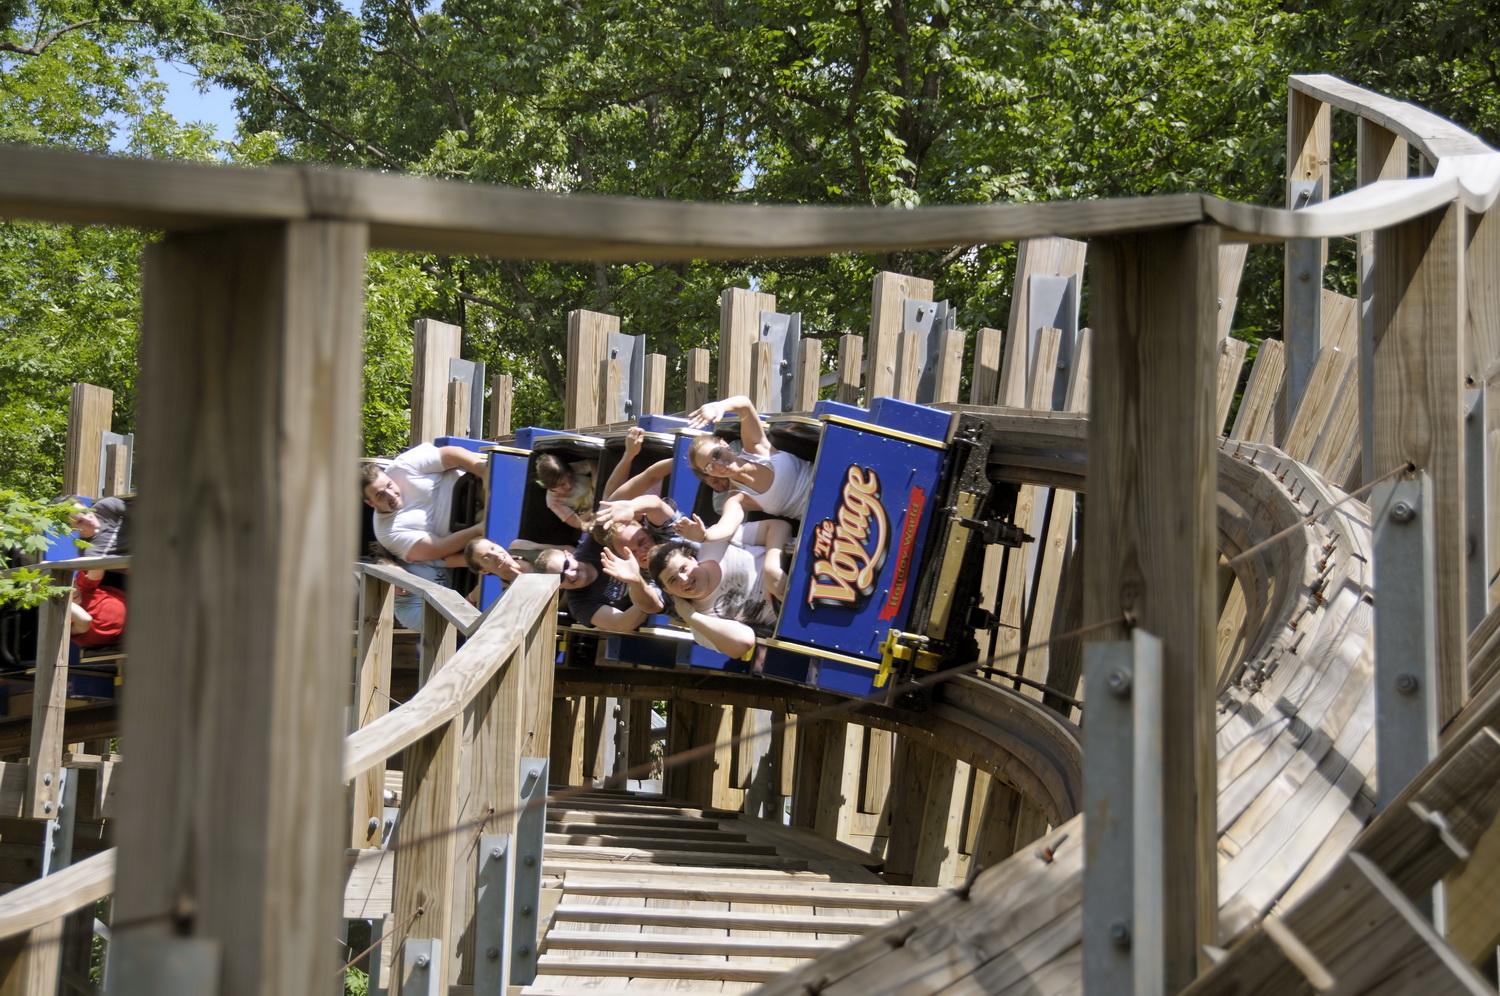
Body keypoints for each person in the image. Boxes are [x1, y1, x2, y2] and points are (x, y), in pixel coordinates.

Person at [648, 518, 791, 658]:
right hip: (794, 619)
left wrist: (772, 568)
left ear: (692, 558)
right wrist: (691, 617)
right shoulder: (700, 626)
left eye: (683, 569)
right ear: (667, 590)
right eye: (673, 580)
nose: (684, 580)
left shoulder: (715, 542)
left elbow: (778, 527)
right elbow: (743, 643)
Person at [684, 395, 814, 540]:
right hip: (823, 518)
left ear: (724, 444)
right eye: (709, 466)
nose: (719, 465)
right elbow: (725, 528)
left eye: (717, 454)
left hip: (833, 482)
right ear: (706, 472)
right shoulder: (737, 499)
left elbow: (745, 406)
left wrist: (718, 406)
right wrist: (704, 536)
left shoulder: (756, 448)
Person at [362, 444, 487, 566]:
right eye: (380, 495)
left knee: (498, 486)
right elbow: (437, 549)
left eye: (389, 485)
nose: (390, 494)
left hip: (477, 486)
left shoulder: (402, 466)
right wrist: (477, 529)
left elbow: (452, 454)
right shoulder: (387, 532)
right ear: (370, 503)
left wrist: (485, 475)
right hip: (471, 522)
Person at [534, 453, 596, 532]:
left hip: (606, 492)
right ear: (550, 487)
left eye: (570, 477)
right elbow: (575, 522)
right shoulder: (553, 501)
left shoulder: (568, 470)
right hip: (594, 513)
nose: (569, 485)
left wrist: (596, 481)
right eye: (562, 485)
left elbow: (593, 463)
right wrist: (595, 509)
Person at [69, 569, 126, 648]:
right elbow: (85, 620)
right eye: (65, 592)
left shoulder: (82, 587)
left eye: (73, 584)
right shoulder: (67, 620)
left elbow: (98, 569)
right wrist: (66, 604)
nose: (73, 590)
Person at [61, 494, 130, 557]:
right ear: (72, 529)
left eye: (85, 512)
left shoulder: (107, 507)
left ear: (85, 506)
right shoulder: (92, 552)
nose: (88, 519)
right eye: (80, 521)